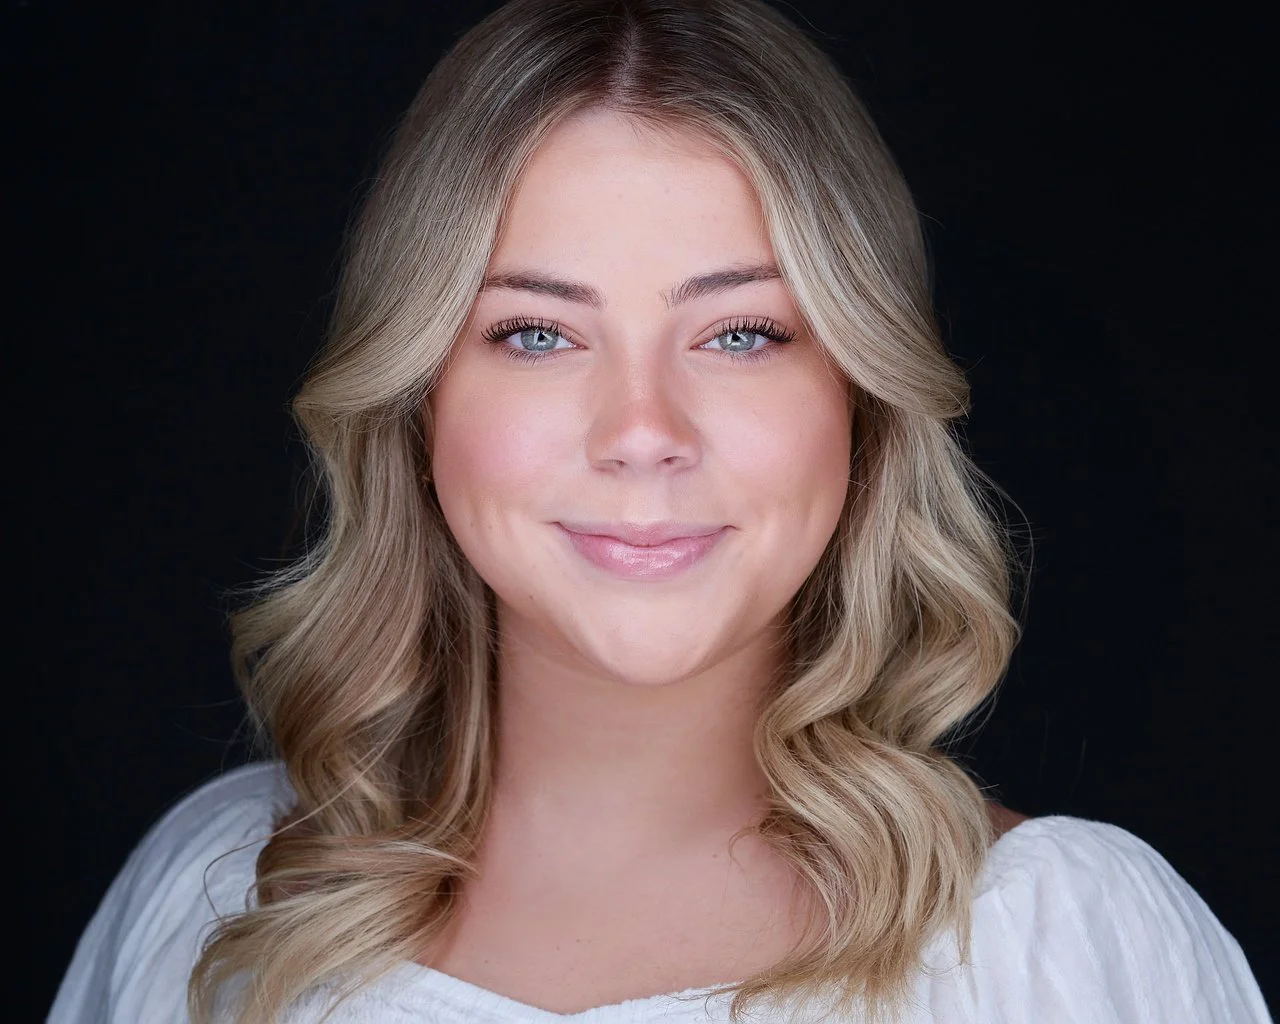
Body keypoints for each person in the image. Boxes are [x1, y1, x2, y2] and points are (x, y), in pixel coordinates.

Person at [48, 1, 1272, 1022]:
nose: (642, 431)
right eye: (536, 333)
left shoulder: (1055, 956)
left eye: (739, 333)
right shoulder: (217, 902)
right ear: (418, 398)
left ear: (858, 391)